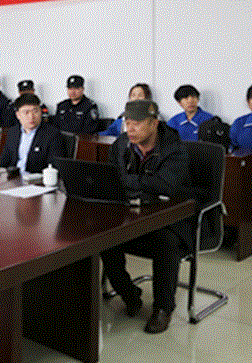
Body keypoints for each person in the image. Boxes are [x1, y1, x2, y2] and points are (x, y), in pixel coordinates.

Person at [102, 99, 192, 334]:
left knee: (165, 242)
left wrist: (129, 181)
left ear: (154, 123)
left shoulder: (174, 149)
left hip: (171, 218)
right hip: (133, 213)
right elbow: (112, 178)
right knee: (103, 236)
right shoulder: (122, 144)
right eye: (127, 122)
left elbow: (165, 186)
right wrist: (140, 184)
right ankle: (129, 293)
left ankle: (163, 307)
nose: (130, 129)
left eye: (137, 123)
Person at [0, 94, 64, 173]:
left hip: (36, 178)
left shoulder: (52, 134)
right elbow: (4, 160)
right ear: (18, 115)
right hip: (14, 177)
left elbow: (54, 168)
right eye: (26, 112)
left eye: (35, 111)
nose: (31, 116)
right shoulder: (13, 132)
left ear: (41, 112)